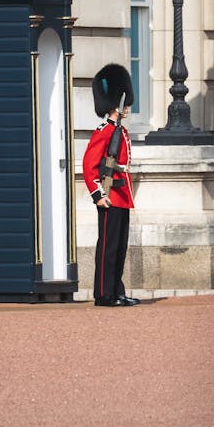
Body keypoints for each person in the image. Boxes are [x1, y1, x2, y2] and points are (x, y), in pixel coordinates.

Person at [82, 64, 140, 307]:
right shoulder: (104, 131)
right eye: (125, 104)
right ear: (116, 103)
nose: (128, 108)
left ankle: (116, 290)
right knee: (108, 246)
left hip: (121, 194)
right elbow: (89, 164)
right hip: (109, 194)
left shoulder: (120, 130)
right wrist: (98, 194)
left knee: (119, 247)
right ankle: (104, 294)